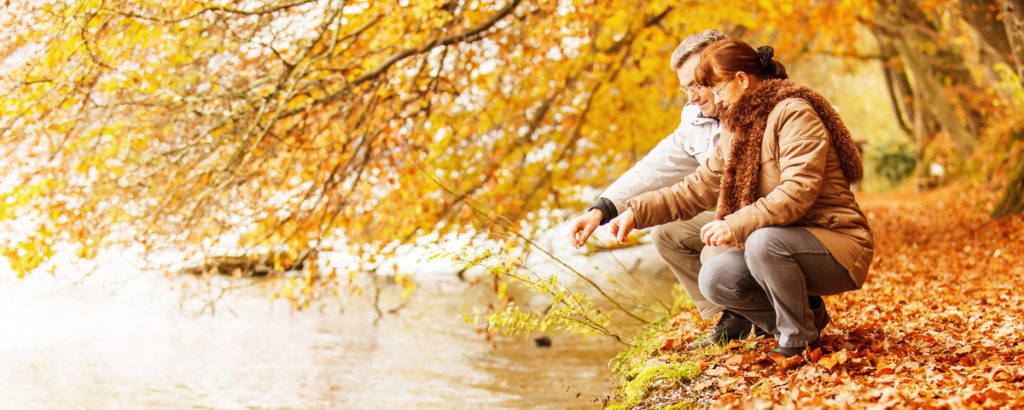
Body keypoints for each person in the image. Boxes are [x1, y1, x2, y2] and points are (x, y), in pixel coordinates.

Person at [608, 38, 874, 357]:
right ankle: (802, 322)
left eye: (718, 90)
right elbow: (697, 187)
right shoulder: (736, 129)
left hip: (836, 243)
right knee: (717, 277)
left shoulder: (794, 113)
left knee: (763, 242)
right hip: (786, 238)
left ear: (742, 80)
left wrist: (735, 223)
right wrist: (636, 212)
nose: (717, 101)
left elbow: (798, 191)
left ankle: (797, 339)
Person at [566, 29, 763, 348]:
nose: (692, 97)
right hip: (739, 222)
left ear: (721, 72)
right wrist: (602, 209)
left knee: (716, 252)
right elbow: (656, 167)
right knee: (668, 232)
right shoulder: (696, 119)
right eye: (686, 88)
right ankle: (735, 316)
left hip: (774, 225)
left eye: (698, 84)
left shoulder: (760, 109)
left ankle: (781, 309)